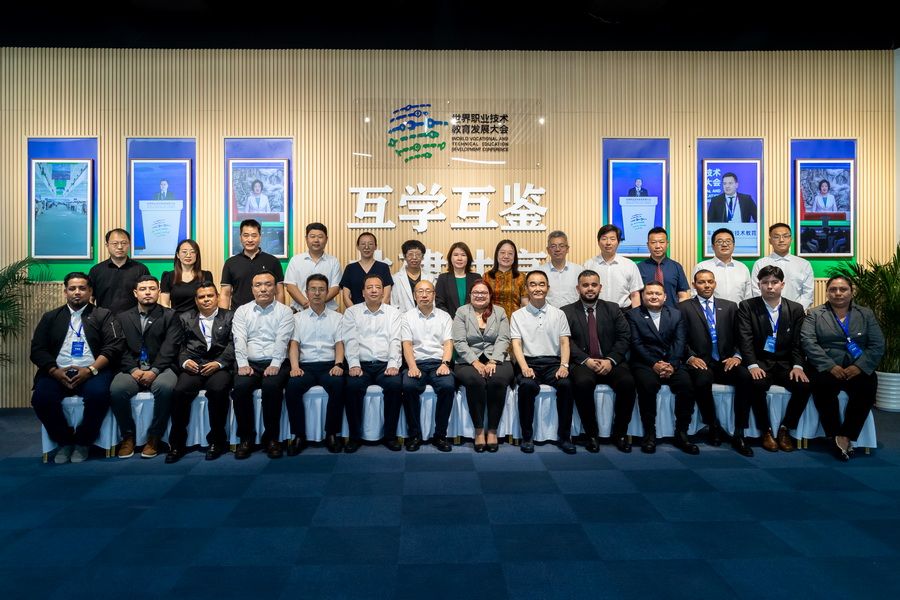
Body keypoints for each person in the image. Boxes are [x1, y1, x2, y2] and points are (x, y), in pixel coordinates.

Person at [29, 273, 124, 464]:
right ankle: (64, 441)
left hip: (93, 371)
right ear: (65, 292)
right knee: (41, 399)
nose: (77, 292)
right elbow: (37, 349)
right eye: (72, 289)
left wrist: (90, 370)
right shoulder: (51, 317)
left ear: (90, 291)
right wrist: (55, 371)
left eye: (82, 288)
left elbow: (114, 346)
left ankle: (83, 442)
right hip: (57, 372)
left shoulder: (103, 315)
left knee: (98, 396)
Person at [801, 275, 885, 461]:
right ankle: (833, 433)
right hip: (827, 366)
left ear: (851, 292)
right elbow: (808, 342)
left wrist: (859, 367)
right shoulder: (815, 314)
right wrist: (830, 366)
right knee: (822, 387)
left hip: (858, 365)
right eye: (833, 289)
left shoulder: (866, 314)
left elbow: (877, 344)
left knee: (867, 388)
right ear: (827, 292)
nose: (838, 293)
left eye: (843, 289)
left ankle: (845, 435)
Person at [737, 265, 811, 453]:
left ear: (782, 284)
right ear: (759, 285)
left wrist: (798, 366)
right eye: (765, 283)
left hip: (786, 363)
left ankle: (786, 428)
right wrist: (752, 365)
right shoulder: (747, 306)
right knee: (756, 384)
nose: (770, 286)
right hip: (760, 362)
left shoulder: (795, 309)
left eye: (774, 282)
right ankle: (766, 430)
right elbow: (745, 339)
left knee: (804, 386)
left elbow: (798, 343)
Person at [561, 270, 636, 453]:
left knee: (628, 383)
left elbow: (624, 337)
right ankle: (591, 434)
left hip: (610, 361)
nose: (590, 288)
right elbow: (566, 341)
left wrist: (611, 360)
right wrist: (585, 360)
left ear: (600, 287)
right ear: (578, 288)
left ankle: (620, 434)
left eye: (594, 285)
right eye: (585, 285)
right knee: (582, 383)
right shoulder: (566, 311)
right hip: (583, 363)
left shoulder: (613, 308)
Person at [109, 275, 181, 459]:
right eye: (143, 289)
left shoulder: (170, 315)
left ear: (159, 292)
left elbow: (170, 347)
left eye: (152, 288)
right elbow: (119, 348)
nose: (147, 292)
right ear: (135, 293)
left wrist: (154, 371)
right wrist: (133, 370)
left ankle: (155, 436)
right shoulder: (122, 317)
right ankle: (128, 436)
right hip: (131, 368)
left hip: (162, 367)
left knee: (165, 387)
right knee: (117, 389)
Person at [679, 270, 750, 453]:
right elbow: (680, 338)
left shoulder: (730, 306)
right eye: (702, 282)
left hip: (726, 360)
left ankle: (739, 432)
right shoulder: (684, 307)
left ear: (715, 283)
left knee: (745, 376)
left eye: (710, 281)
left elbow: (742, 336)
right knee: (702, 381)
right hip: (700, 361)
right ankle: (712, 425)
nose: (707, 285)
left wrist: (737, 356)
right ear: (694, 285)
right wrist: (690, 357)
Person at [165, 282, 234, 463]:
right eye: (202, 297)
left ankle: (217, 441)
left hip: (219, 366)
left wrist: (219, 363)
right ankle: (177, 444)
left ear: (217, 297)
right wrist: (185, 361)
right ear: (196, 300)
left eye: (210, 296)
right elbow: (178, 345)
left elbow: (234, 344)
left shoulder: (230, 316)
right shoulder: (184, 317)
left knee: (218, 390)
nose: (206, 300)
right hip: (193, 365)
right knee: (179, 392)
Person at [627, 282, 699, 454]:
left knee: (687, 386)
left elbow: (680, 342)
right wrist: (654, 364)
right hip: (645, 363)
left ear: (665, 297)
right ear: (643, 296)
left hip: (672, 362)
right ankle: (649, 433)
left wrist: (672, 364)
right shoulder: (633, 315)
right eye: (649, 293)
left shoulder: (675, 314)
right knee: (647, 386)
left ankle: (682, 433)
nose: (654, 296)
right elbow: (636, 343)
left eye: (658, 293)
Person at [510, 270, 575, 454]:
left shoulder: (559, 314)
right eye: (533, 284)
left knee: (566, 385)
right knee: (527, 386)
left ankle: (564, 437)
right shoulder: (518, 315)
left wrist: (564, 366)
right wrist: (524, 367)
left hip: (553, 363)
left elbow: (564, 342)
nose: (537, 288)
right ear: (526, 288)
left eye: (541, 284)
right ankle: (527, 437)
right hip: (529, 362)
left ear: (548, 288)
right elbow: (516, 344)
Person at [231, 271, 294, 459]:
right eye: (258, 285)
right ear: (252, 289)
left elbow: (282, 340)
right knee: (240, 388)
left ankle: (272, 438)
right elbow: (239, 339)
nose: (263, 289)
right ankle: (246, 438)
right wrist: (242, 364)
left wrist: (275, 364)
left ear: (275, 288)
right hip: (249, 362)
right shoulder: (242, 311)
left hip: (277, 361)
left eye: (268, 284)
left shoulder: (285, 311)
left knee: (272, 387)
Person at [341, 274, 404, 452]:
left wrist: (393, 364)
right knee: (352, 387)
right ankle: (355, 436)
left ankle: (390, 436)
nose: (374, 290)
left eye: (378, 287)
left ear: (383, 291)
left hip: (385, 364)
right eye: (369, 287)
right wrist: (354, 364)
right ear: (363, 292)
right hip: (362, 364)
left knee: (394, 386)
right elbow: (350, 340)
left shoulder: (393, 313)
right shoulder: (352, 312)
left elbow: (395, 340)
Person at [285, 274, 346, 454]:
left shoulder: (337, 318)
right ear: (306, 292)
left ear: (327, 293)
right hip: (306, 366)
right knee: (292, 386)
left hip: (329, 365)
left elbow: (339, 344)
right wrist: (295, 367)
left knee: (338, 384)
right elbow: (294, 345)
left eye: (321, 289)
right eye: (313, 289)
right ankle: (299, 435)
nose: (317, 293)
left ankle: (332, 434)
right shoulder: (297, 318)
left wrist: (339, 364)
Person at [452, 279, 514, 452]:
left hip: (498, 358)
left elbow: (504, 338)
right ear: (470, 295)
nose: (480, 295)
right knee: (475, 381)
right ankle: (479, 431)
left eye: (484, 292)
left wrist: (493, 360)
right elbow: (459, 341)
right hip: (467, 360)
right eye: (476, 292)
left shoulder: (499, 311)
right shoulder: (462, 312)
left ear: (490, 295)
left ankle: (492, 431)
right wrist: (475, 362)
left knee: (498, 380)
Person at [401, 280, 456, 452]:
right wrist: (412, 366)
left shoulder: (444, 316)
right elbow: (407, 344)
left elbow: (448, 343)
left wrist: (445, 363)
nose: (424, 295)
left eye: (428, 291)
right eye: (420, 291)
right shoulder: (407, 317)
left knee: (448, 386)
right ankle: (414, 435)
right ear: (414, 295)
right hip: (416, 363)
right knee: (408, 386)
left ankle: (440, 435)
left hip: (438, 363)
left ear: (434, 295)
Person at [220, 219, 285, 310]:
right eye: (246, 235)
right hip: (238, 314)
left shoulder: (273, 261)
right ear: (240, 237)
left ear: (260, 237)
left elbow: (279, 292)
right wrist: (224, 317)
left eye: (254, 236)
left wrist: (280, 313)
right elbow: (225, 294)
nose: (250, 239)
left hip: (268, 313)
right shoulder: (230, 263)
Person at [751, 223, 814, 309]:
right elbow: (756, 291)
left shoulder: (804, 264)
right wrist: (769, 310)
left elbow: (808, 293)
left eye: (785, 236)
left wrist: (796, 311)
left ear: (791, 239)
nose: (781, 240)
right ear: (770, 241)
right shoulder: (760, 264)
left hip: (796, 313)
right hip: (766, 312)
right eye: (776, 237)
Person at [88, 228, 150, 315]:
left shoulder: (141, 269)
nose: (120, 247)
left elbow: (148, 296)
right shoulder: (96, 270)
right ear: (107, 245)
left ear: (129, 244)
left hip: (134, 319)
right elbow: (90, 298)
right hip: (104, 319)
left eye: (124, 243)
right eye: (115, 243)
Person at [284, 222, 343, 312]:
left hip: (328, 311)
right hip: (300, 310)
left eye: (320, 237)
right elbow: (290, 286)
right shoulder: (295, 260)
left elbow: (335, 287)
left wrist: (318, 304)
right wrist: (306, 304)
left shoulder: (333, 261)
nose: (316, 240)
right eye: (312, 236)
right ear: (306, 239)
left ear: (326, 239)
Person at [583, 224, 643, 310]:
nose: (608, 243)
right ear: (598, 242)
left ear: (618, 242)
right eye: (604, 239)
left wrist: (636, 316)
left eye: (612, 239)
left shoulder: (630, 265)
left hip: (623, 312)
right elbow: (583, 292)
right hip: (596, 312)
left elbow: (635, 295)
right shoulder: (589, 265)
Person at [693, 228, 752, 303]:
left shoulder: (743, 268)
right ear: (713, 246)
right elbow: (694, 294)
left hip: (738, 310)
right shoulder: (702, 267)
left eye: (728, 241)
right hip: (710, 310)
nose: (724, 245)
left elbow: (748, 297)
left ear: (733, 245)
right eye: (720, 241)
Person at [637, 227, 690, 309]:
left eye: (661, 242)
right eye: (653, 242)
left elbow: (683, 295)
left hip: (672, 313)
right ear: (648, 245)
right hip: (646, 314)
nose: (658, 246)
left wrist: (681, 314)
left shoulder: (676, 267)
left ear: (667, 244)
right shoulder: (639, 268)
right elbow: (635, 295)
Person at [340, 232, 393, 308]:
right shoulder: (350, 268)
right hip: (355, 313)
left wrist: (378, 311)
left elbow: (387, 296)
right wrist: (355, 312)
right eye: (363, 244)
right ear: (357, 246)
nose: (366, 247)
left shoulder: (383, 267)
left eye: (370, 244)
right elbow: (346, 297)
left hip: (379, 313)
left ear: (375, 246)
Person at [160, 239, 214, 314]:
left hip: (200, 318)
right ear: (178, 255)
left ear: (197, 255)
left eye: (192, 252)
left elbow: (210, 301)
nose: (188, 255)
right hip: (175, 318)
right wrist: (172, 318)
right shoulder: (168, 276)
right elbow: (164, 304)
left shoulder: (206, 276)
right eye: (184, 252)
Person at [483, 239, 527, 322]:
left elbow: (525, 303)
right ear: (497, 255)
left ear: (514, 257)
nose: (506, 256)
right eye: (502, 252)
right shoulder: (487, 276)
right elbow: (483, 302)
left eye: (510, 253)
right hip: (492, 321)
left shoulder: (521, 277)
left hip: (515, 322)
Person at [435, 241, 480, 318]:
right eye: (455, 255)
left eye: (463, 255)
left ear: (468, 258)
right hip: (449, 321)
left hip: (473, 321)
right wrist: (450, 320)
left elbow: (480, 301)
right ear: (450, 258)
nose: (459, 258)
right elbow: (439, 303)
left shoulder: (476, 278)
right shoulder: (443, 278)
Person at [538, 230, 580, 308]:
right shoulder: (539, 272)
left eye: (561, 246)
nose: (557, 249)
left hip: (573, 314)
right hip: (548, 314)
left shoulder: (578, 270)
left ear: (567, 249)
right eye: (553, 246)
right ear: (548, 250)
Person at [391, 239, 435, 312]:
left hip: (426, 316)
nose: (414, 257)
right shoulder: (396, 278)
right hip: (403, 317)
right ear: (404, 256)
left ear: (422, 257)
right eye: (410, 254)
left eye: (418, 254)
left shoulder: (430, 278)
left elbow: (433, 302)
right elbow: (394, 304)